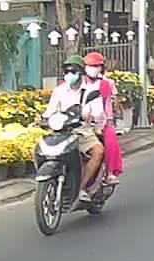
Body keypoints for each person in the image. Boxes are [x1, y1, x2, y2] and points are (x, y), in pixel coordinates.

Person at [44, 54, 106, 202]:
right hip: (62, 132)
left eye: (73, 71)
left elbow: (98, 112)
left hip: (82, 131)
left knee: (98, 151)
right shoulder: (59, 91)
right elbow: (50, 111)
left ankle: (82, 187)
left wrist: (92, 118)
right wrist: (44, 119)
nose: (69, 74)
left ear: (81, 72)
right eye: (67, 71)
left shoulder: (90, 91)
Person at [83, 52, 122, 184]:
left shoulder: (107, 83)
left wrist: (113, 116)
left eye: (96, 66)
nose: (93, 69)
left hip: (103, 121)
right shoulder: (81, 83)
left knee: (111, 141)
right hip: (82, 122)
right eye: (90, 66)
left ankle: (110, 173)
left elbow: (114, 101)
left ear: (101, 68)